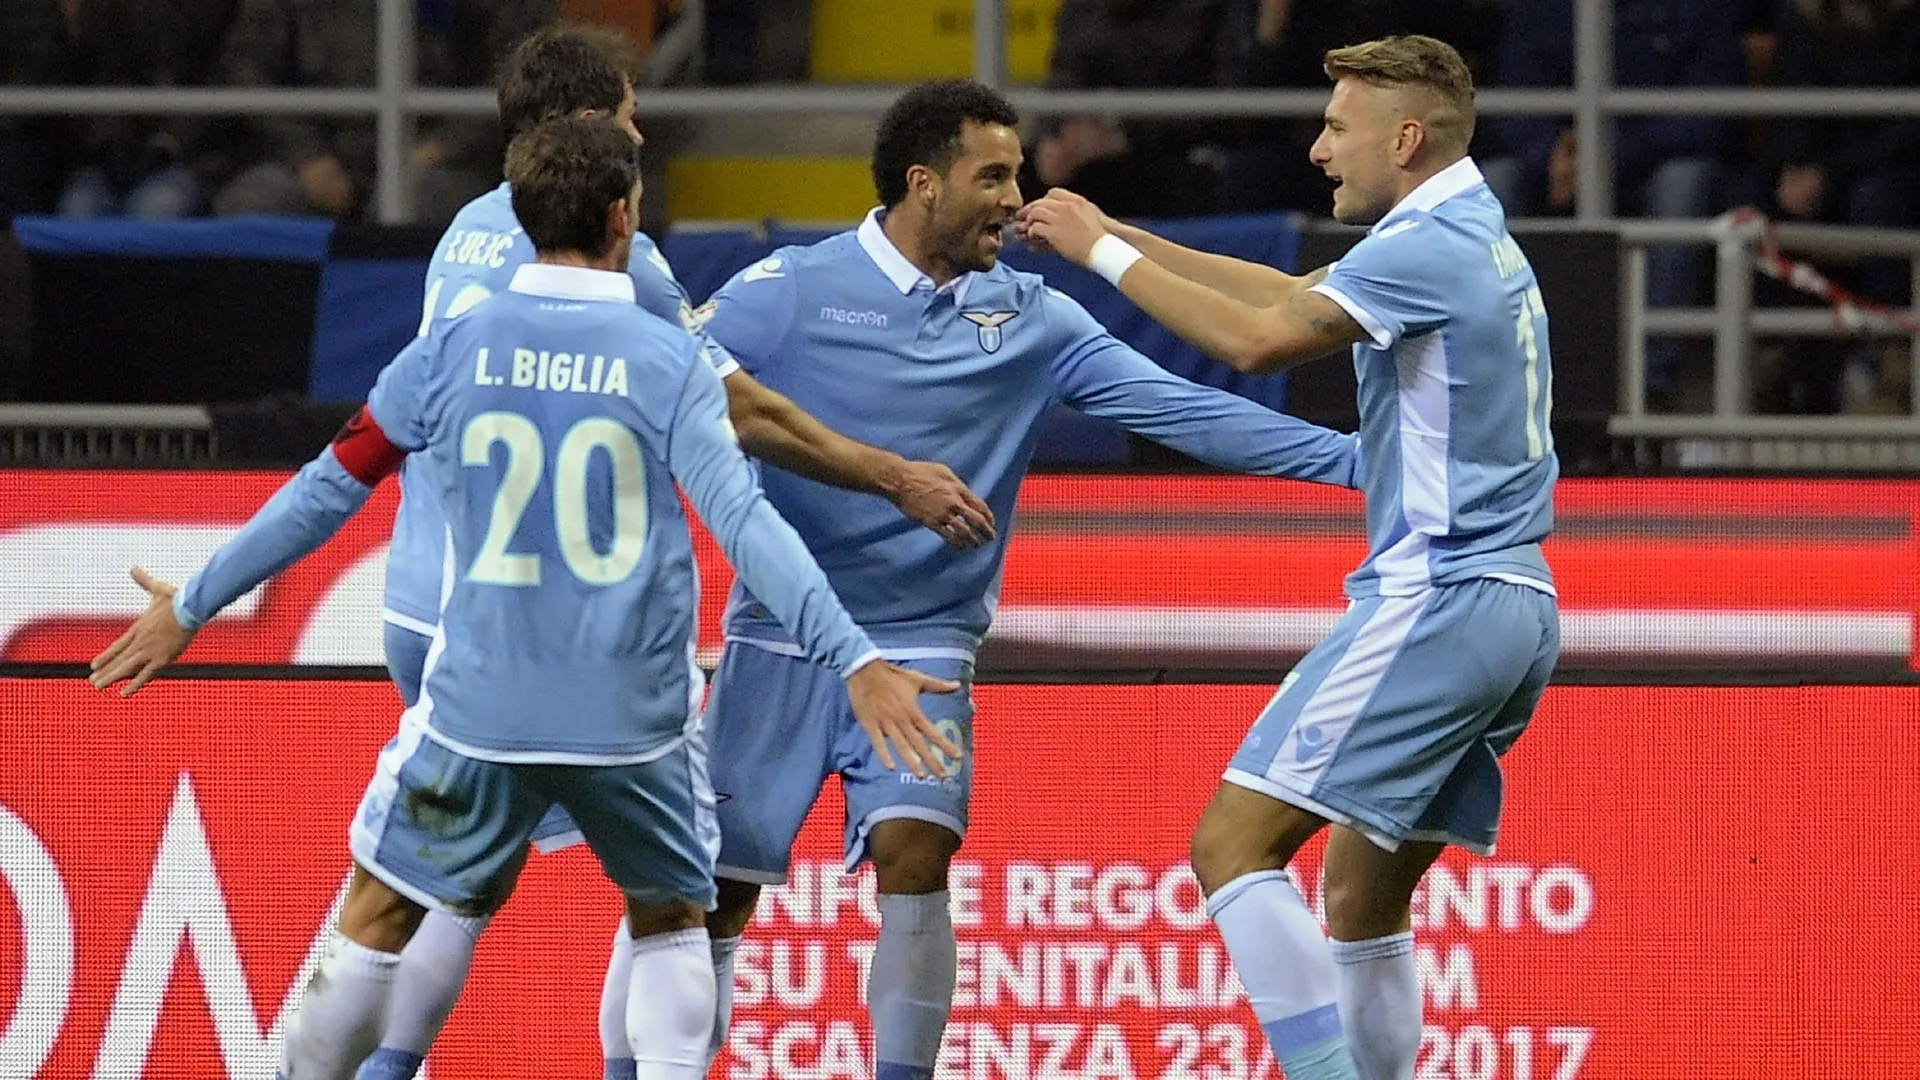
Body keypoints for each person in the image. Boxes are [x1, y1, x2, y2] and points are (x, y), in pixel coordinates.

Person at [85, 25, 989, 1080]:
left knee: (397, 905)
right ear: (618, 204)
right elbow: (748, 521)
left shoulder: (450, 323)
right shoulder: (665, 351)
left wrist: (193, 604)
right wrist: (856, 658)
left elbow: (331, 483)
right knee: (673, 913)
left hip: (470, 667)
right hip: (625, 706)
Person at [672, 78, 1367, 1080]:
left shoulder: (1030, 317)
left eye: (1018, 172)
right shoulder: (786, 290)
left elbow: (1184, 409)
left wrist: (1356, 465)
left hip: (925, 640)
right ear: (923, 184)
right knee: (710, 898)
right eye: (992, 174)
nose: (1016, 195)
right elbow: (669, 386)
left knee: (918, 854)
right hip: (783, 635)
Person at [1021, 34, 1561, 1080]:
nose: (1318, 151)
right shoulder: (1465, 227)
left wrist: (1097, 255)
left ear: (1404, 139)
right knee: (1360, 899)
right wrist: (1115, 231)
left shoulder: (1427, 248)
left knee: (1229, 847)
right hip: (1516, 604)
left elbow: (1255, 342)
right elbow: (1276, 291)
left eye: (1337, 128)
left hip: (1438, 594)